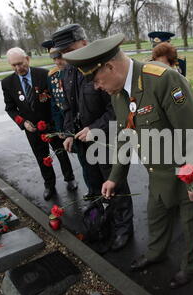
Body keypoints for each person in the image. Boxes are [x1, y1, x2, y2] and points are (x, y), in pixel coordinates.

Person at [62, 33, 193, 288]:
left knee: (192, 227)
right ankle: (156, 254)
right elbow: (126, 136)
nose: (98, 87)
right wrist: (114, 178)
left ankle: (191, 267)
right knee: (156, 216)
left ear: (110, 67)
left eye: (97, 81)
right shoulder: (118, 92)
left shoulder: (163, 80)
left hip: (188, 170)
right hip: (158, 170)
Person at [52, 24, 134, 251]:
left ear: (84, 44)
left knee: (115, 186)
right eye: (62, 51)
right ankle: (102, 223)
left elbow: (117, 110)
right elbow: (68, 107)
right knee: (94, 186)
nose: (66, 55)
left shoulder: (100, 69)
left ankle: (123, 229)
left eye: (70, 48)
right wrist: (69, 134)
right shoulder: (67, 72)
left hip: (105, 140)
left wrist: (94, 128)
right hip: (82, 142)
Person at [1, 47, 77, 201]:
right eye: (13, 65)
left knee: (61, 153)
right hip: (32, 129)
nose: (18, 68)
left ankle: (70, 178)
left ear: (27, 59)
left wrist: (59, 125)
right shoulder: (7, 83)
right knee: (42, 157)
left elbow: (55, 101)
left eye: (20, 63)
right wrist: (23, 123)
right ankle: (49, 185)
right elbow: (10, 108)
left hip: (52, 124)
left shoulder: (44, 75)